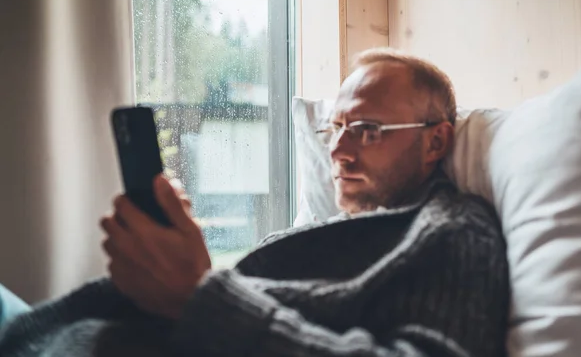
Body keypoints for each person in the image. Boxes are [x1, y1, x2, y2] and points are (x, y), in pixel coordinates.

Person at [0, 47, 509, 357]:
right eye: (335, 127)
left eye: (367, 131)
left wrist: (198, 296)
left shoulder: (454, 232)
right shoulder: (308, 235)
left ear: (436, 142)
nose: (336, 148)